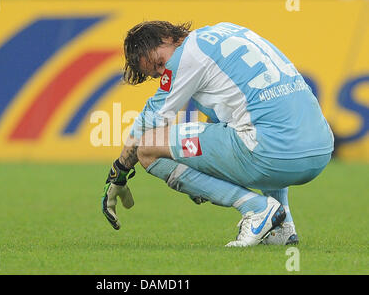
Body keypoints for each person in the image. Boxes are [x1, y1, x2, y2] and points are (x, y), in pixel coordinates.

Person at [102, 21, 334, 247]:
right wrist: (200, 168)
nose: (164, 73)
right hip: (320, 149)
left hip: (272, 155)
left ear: (169, 38)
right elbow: (225, 120)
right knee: (260, 123)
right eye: (156, 74)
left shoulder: (186, 57)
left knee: (148, 147)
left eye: (160, 62)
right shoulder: (227, 31)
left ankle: (256, 208)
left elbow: (149, 122)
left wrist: (119, 172)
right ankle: (283, 228)